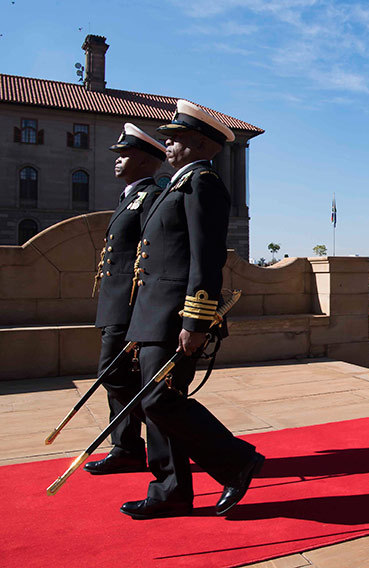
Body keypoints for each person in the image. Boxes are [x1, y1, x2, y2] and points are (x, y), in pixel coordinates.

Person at [123, 100, 264, 519]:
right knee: (156, 402)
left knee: (159, 401)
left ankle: (236, 461)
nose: (167, 144)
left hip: (175, 317)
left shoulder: (202, 183)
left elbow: (205, 259)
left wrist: (195, 320)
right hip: (153, 314)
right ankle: (170, 490)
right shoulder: (176, 185)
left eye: (176, 138)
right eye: (168, 137)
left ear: (200, 143)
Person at [83, 124, 165, 476]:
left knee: (114, 373)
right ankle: (127, 446)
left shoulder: (150, 197)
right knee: (116, 377)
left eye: (125, 155)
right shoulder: (129, 196)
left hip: (131, 304)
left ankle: (177, 427)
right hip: (115, 301)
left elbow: (155, 253)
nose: (117, 161)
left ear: (147, 162)